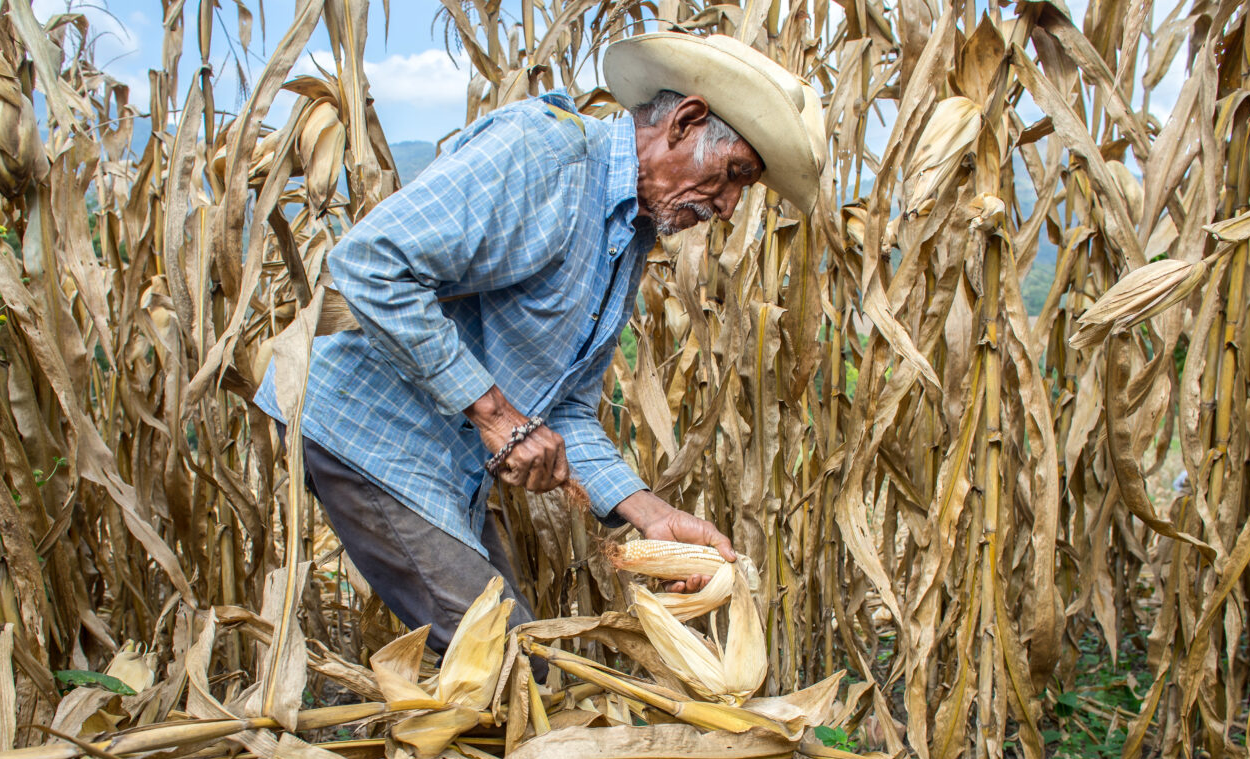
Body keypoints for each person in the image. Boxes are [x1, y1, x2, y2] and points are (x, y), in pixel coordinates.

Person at [255, 32, 826, 666]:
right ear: (686, 122)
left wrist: (650, 514)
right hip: (368, 436)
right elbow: (370, 262)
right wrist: (499, 420)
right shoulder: (546, 157)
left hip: (441, 469)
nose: (727, 206)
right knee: (507, 670)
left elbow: (563, 411)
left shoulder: (626, 237)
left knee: (513, 667)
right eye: (735, 175)